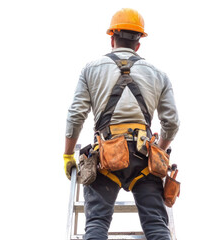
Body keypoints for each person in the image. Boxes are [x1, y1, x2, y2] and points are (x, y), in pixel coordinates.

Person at [62, 8, 180, 240]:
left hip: (106, 159)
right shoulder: (159, 75)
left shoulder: (91, 69)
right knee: (156, 227)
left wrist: (68, 155)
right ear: (138, 44)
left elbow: (76, 115)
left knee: (96, 225)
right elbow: (172, 123)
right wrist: (161, 151)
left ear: (112, 38)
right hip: (144, 159)